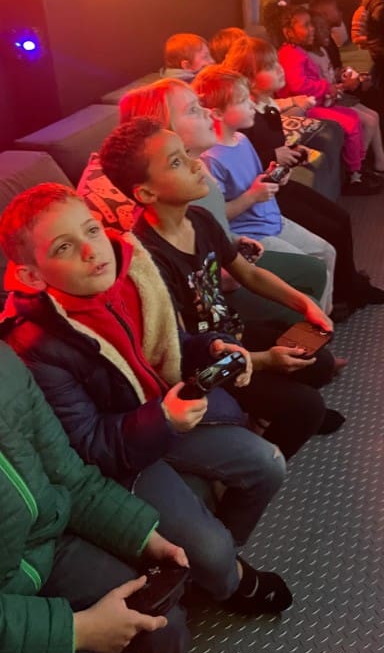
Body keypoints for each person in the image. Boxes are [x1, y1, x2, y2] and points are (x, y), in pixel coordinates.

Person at [0, 184, 292, 616]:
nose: (91, 251)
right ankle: (228, 580)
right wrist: (164, 420)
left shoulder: (131, 275)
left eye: (91, 230)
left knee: (268, 464)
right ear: (32, 275)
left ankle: (217, 559)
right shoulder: (35, 346)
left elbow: (169, 345)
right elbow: (89, 446)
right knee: (211, 550)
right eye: (65, 247)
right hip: (119, 456)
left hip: (161, 414)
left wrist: (209, 348)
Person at [98, 117, 346, 460]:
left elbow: (249, 274)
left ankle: (272, 412)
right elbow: (179, 354)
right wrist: (264, 361)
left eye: (187, 154)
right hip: (207, 364)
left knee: (319, 361)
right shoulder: (148, 261)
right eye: (176, 162)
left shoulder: (199, 219)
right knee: (308, 407)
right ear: (146, 193)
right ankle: (261, 460)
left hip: (232, 332)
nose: (195, 164)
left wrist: (305, 305)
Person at [77, 78, 331, 329]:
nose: (209, 112)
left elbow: (215, 233)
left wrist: (232, 242)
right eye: (193, 110)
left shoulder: (199, 192)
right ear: (165, 130)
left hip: (230, 264)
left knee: (315, 272)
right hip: (217, 302)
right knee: (310, 285)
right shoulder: (167, 221)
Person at [0, 341, 189, 653]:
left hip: (42, 547)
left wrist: (144, 536)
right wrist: (78, 631)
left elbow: (68, 475)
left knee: (164, 625)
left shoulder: (6, 365)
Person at [224, 34, 384, 318]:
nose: (280, 70)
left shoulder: (267, 105)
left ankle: (348, 284)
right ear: (250, 79)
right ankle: (340, 294)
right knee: (329, 229)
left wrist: (290, 151)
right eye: (271, 67)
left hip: (279, 182)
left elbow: (273, 146)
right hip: (264, 195)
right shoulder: (243, 117)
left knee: (340, 218)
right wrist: (273, 156)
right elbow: (243, 160)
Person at [191, 65, 337, 316]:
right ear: (217, 113)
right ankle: (314, 326)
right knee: (315, 267)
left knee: (327, 252)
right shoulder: (210, 159)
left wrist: (273, 176)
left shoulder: (242, 139)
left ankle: (324, 317)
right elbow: (216, 215)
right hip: (252, 232)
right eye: (242, 101)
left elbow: (255, 178)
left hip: (272, 218)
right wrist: (253, 196)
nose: (251, 105)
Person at [277, 4, 383, 196]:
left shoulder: (297, 51)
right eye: (306, 25)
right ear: (288, 32)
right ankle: (353, 175)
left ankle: (357, 168)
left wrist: (330, 86)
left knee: (352, 118)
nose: (312, 29)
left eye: (311, 24)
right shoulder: (289, 54)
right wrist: (326, 87)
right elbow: (299, 86)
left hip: (317, 102)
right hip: (305, 107)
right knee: (350, 122)